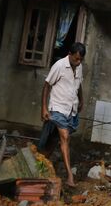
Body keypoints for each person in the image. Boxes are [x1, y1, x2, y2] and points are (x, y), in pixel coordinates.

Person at [39, 42, 86, 187]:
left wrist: (81, 100)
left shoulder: (79, 67)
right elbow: (47, 85)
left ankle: (40, 164)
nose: (78, 62)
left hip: (71, 110)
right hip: (57, 108)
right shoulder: (59, 66)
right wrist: (44, 108)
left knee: (54, 140)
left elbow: (79, 85)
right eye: (76, 59)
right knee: (65, 137)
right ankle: (70, 176)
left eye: (80, 60)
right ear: (70, 55)